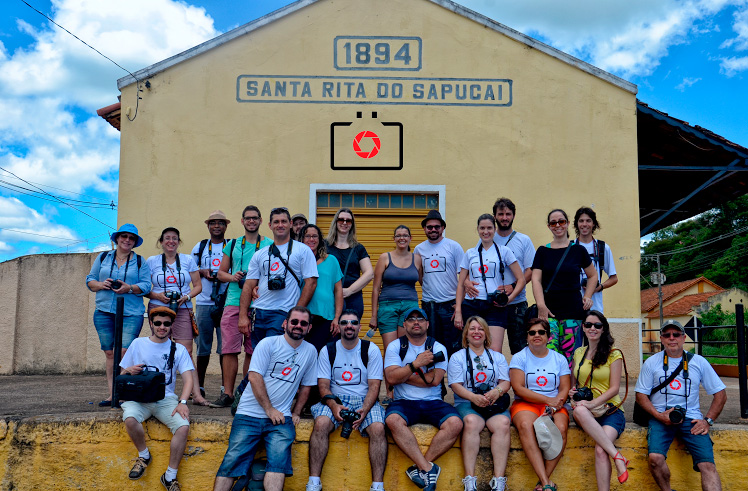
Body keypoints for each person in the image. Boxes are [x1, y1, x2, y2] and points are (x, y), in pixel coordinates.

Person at [213, 307, 318, 491]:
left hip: (281, 418)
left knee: (278, 463)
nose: (298, 326)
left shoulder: (310, 351)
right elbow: (254, 377)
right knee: (231, 462)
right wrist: (269, 409)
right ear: (285, 323)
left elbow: (307, 386)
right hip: (248, 414)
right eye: (294, 322)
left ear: (309, 328)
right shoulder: (268, 344)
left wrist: (296, 412)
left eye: (303, 323)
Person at [635, 320, 727, 491]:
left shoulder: (698, 362)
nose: (672, 338)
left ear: (684, 338)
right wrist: (657, 415)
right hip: (660, 417)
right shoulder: (651, 362)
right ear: (661, 339)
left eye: (676, 334)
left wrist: (707, 421)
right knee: (655, 458)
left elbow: (720, 394)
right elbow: (640, 395)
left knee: (707, 465)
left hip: (692, 419)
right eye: (667, 335)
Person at [306, 310, 387, 491]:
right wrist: (334, 406)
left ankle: (377, 485)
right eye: (344, 322)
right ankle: (313, 482)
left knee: (378, 428)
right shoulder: (328, 350)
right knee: (321, 423)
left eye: (353, 322)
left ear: (359, 326)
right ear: (338, 327)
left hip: (364, 399)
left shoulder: (371, 349)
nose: (349, 326)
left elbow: (375, 386)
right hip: (335, 399)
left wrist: (365, 410)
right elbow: (323, 386)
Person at [384, 307, 463, 491]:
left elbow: (434, 381)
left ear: (427, 324)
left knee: (455, 423)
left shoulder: (438, 347)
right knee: (392, 420)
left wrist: (403, 373)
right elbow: (391, 379)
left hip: (433, 402)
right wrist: (416, 364)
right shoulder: (396, 346)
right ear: (404, 325)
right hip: (404, 402)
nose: (416, 322)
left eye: (420, 319)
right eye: (411, 319)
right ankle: (428, 468)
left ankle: (419, 467)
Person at [120, 306, 193, 491]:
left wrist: (183, 402)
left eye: (166, 324)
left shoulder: (179, 349)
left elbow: (188, 379)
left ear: (172, 326)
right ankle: (144, 455)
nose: (162, 327)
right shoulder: (137, 344)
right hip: (138, 397)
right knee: (129, 419)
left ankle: (169, 476)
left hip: (165, 399)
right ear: (151, 324)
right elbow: (122, 373)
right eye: (158, 323)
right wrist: (129, 371)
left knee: (183, 427)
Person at [210, 205, 273, 408]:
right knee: (228, 349)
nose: (252, 221)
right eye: (248, 218)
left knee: (252, 350)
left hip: (259, 301)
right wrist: (233, 276)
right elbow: (221, 273)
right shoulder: (234, 244)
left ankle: (246, 392)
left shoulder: (270, 244)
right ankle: (227, 393)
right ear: (242, 221)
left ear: (261, 221)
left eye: (255, 218)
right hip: (233, 301)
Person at [86, 223, 151, 407]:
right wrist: (101, 284)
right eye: (124, 236)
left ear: (135, 242)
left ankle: (122, 392)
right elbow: (90, 280)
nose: (127, 240)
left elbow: (147, 285)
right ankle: (112, 393)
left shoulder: (140, 261)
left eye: (131, 238)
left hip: (131, 312)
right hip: (104, 311)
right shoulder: (103, 257)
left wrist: (129, 288)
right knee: (109, 353)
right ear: (117, 238)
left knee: (124, 352)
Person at [239, 207, 318, 348]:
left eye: (284, 221)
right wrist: (243, 316)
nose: (280, 225)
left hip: (283, 312)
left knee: (275, 354)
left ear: (291, 224)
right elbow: (248, 285)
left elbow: (311, 283)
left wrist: (295, 314)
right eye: (276, 222)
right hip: (258, 313)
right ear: (270, 225)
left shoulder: (302, 250)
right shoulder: (260, 254)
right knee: (258, 355)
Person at [448, 316, 511, 491]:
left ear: (486, 334)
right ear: (466, 334)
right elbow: (455, 385)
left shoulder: (497, 357)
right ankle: (470, 480)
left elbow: (505, 382)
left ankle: (498, 481)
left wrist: (495, 392)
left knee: (504, 424)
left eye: (480, 329)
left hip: (492, 402)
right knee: (471, 423)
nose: (476, 332)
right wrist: (473, 397)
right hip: (467, 402)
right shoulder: (457, 357)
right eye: (472, 329)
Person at [465, 197, 536, 354]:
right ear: (495, 216)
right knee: (490, 348)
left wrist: (512, 286)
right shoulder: (487, 237)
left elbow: (531, 269)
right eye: (501, 214)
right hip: (492, 305)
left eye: (508, 214)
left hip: (516, 303)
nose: (504, 217)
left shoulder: (523, 240)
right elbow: (474, 266)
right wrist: (466, 282)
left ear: (513, 216)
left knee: (519, 348)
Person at [146, 227, 207, 405]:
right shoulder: (152, 261)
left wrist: (186, 297)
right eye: (167, 238)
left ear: (178, 242)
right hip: (158, 308)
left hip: (182, 308)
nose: (171, 241)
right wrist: (158, 296)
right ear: (161, 242)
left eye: (174, 238)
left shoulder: (188, 260)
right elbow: (144, 288)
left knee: (186, 352)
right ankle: (157, 390)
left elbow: (198, 285)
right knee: (159, 349)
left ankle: (196, 394)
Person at [569, 310, 629, 490]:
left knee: (601, 449)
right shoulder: (578, 353)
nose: (592, 328)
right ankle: (618, 456)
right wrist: (574, 394)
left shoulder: (614, 354)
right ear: (583, 328)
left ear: (604, 329)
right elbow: (574, 384)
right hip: (585, 413)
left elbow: (614, 389)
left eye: (597, 325)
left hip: (610, 411)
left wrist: (592, 403)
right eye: (588, 325)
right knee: (579, 409)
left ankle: (615, 460)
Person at [509, 318, 571, 491]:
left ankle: (542, 482)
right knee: (525, 424)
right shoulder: (519, 357)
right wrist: (546, 401)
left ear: (548, 337)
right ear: (527, 336)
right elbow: (518, 388)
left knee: (561, 428)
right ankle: (546, 483)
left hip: (555, 405)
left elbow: (565, 388)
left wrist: (554, 405)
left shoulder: (559, 359)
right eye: (532, 332)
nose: (537, 335)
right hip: (526, 404)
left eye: (541, 332)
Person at [531, 209, 598, 368]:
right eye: (553, 223)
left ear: (567, 224)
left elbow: (593, 276)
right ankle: (551, 391)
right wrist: (540, 305)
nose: (557, 225)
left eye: (561, 221)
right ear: (549, 226)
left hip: (573, 313)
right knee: (549, 355)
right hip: (549, 313)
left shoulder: (578, 250)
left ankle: (569, 392)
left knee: (570, 357)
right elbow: (535, 279)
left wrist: (588, 296)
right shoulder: (542, 251)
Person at [455, 214, 525, 353]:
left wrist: (508, 300)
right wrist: (458, 311)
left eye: (489, 228)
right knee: (471, 349)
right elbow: (461, 283)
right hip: (472, 304)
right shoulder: (470, 253)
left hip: (495, 306)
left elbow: (521, 279)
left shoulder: (504, 251)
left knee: (495, 350)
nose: (485, 232)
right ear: (477, 229)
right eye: (482, 228)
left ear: (494, 229)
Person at [414, 210, 465, 357]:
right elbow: (420, 276)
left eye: (437, 226)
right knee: (432, 347)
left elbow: (463, 277)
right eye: (429, 227)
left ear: (443, 228)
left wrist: (459, 305)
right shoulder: (419, 249)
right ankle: (437, 380)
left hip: (451, 306)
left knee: (453, 347)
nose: (433, 229)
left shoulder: (453, 246)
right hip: (429, 306)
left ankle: (454, 379)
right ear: (424, 229)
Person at [191, 210, 229, 400]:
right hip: (204, 302)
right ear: (208, 226)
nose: (216, 226)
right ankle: (200, 387)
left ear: (226, 226)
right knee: (202, 347)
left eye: (220, 223)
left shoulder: (231, 246)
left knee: (225, 348)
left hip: (225, 303)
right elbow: (191, 270)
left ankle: (225, 387)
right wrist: (202, 271)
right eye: (213, 222)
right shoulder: (200, 247)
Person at [370, 225, 423, 351]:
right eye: (398, 235)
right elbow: (376, 289)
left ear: (410, 238)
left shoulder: (417, 259)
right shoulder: (384, 257)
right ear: (394, 238)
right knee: (391, 350)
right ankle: (388, 371)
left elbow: (424, 283)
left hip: (410, 306)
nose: (402, 238)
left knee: (405, 349)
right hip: (388, 306)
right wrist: (373, 315)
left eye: (405, 235)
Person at [301, 223, 343, 351]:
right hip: (303, 317)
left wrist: (337, 318)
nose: (311, 239)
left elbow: (338, 291)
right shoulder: (297, 260)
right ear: (301, 239)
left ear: (320, 240)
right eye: (307, 236)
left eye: (315, 236)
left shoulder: (331, 260)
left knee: (324, 356)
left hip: (326, 317)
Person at [325, 208, 374, 319]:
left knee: (350, 331)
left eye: (348, 220)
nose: (345, 223)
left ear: (352, 224)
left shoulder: (358, 248)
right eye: (341, 219)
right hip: (329, 296)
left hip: (353, 298)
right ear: (335, 222)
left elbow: (369, 273)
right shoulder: (324, 246)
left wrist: (349, 291)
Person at [572, 207, 617, 313]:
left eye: (588, 221)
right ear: (576, 224)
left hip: (595, 306)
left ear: (593, 224)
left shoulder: (602, 247)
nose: (584, 224)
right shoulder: (570, 247)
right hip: (573, 304)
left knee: (593, 329)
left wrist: (599, 287)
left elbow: (614, 278)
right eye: (581, 221)